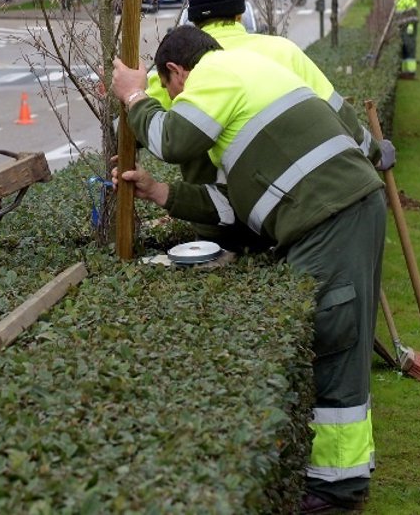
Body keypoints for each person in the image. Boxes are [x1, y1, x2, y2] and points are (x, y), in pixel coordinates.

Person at [112, 27, 387, 514]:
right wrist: (160, 192)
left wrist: (134, 96)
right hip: (339, 210)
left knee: (332, 340)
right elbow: (233, 205)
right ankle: (341, 476)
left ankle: (337, 487)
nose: (178, 102)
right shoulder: (249, 75)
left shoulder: (215, 71)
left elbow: (172, 140)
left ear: (176, 72)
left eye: (171, 93)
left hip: (329, 218)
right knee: (338, 336)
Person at [145, 0, 392, 249]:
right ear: (240, 12)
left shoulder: (173, 72)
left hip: (215, 221)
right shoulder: (282, 52)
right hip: (281, 211)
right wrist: (375, 152)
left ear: (192, 17)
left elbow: (141, 125)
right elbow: (340, 116)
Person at [392, 0, 419, 79]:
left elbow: (413, 12)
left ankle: (411, 72)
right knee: (402, 48)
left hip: (408, 27)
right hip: (401, 27)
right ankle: (403, 71)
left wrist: (411, 25)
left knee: (409, 47)